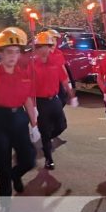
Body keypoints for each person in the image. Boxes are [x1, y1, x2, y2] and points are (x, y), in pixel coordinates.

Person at [0, 27, 40, 196]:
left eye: (16, 52)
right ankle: (5, 198)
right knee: (2, 163)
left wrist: (34, 124)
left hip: (19, 119)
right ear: (0, 53)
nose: (13, 56)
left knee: (29, 159)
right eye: (8, 52)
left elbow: (28, 100)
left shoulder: (24, 74)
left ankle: (16, 174)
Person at [30, 31, 77, 170]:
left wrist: (71, 95)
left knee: (62, 125)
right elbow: (28, 88)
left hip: (54, 100)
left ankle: (47, 137)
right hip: (40, 102)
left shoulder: (56, 62)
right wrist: (32, 108)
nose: (46, 49)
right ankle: (48, 158)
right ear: (37, 49)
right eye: (42, 46)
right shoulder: (32, 65)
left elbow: (64, 79)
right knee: (44, 132)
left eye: (48, 46)